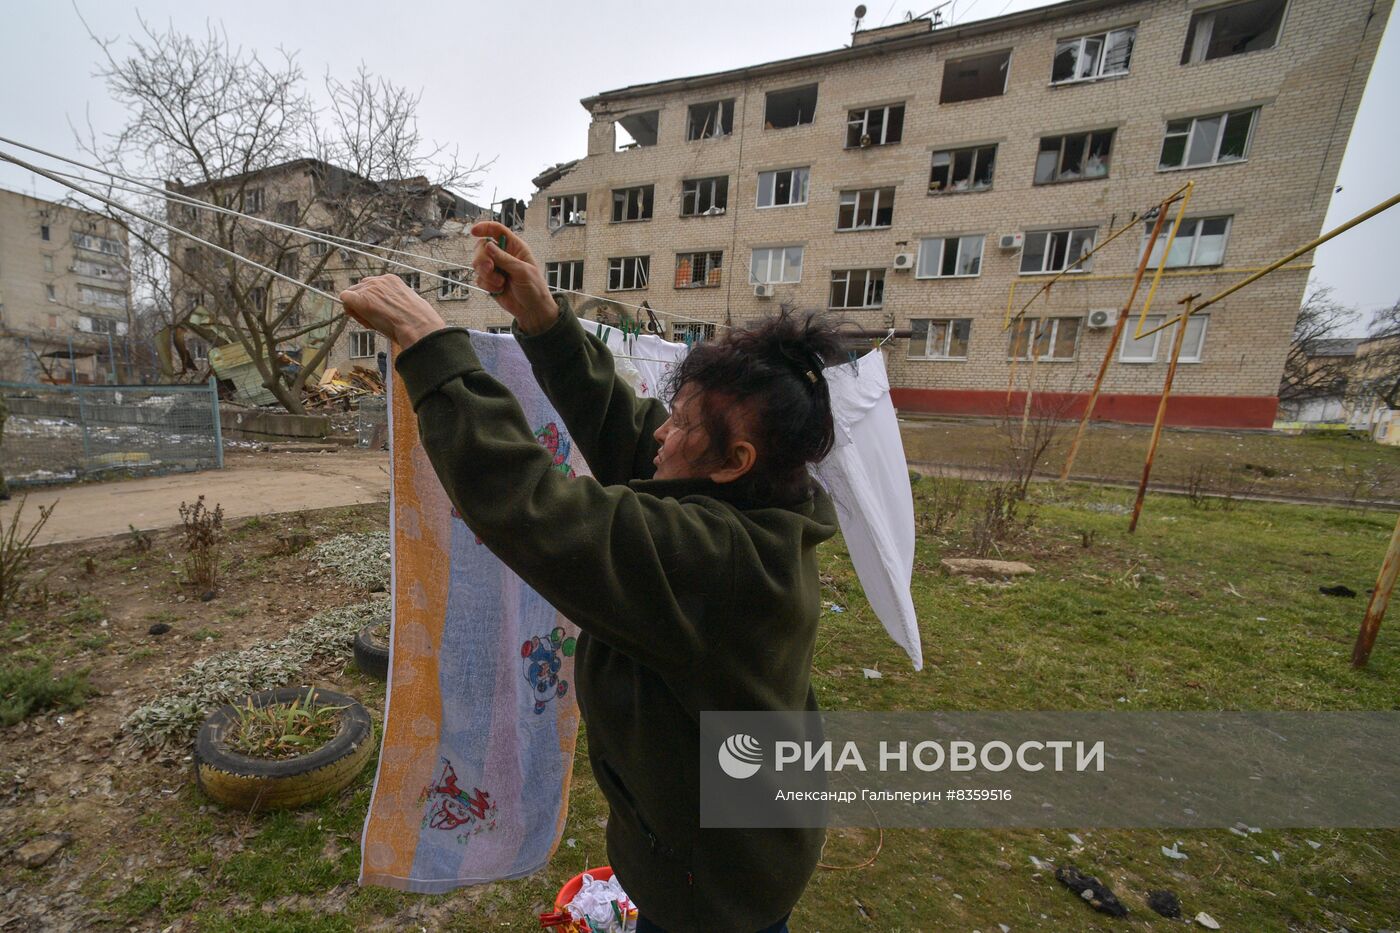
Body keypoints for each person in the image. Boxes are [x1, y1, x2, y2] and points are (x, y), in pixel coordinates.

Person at [340, 221, 844, 933]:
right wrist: (544, 321)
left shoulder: (715, 563)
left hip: (719, 890)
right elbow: (633, 436)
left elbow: (538, 509)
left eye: (683, 423)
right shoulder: (759, 502)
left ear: (735, 459)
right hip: (728, 844)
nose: (661, 434)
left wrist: (432, 349)